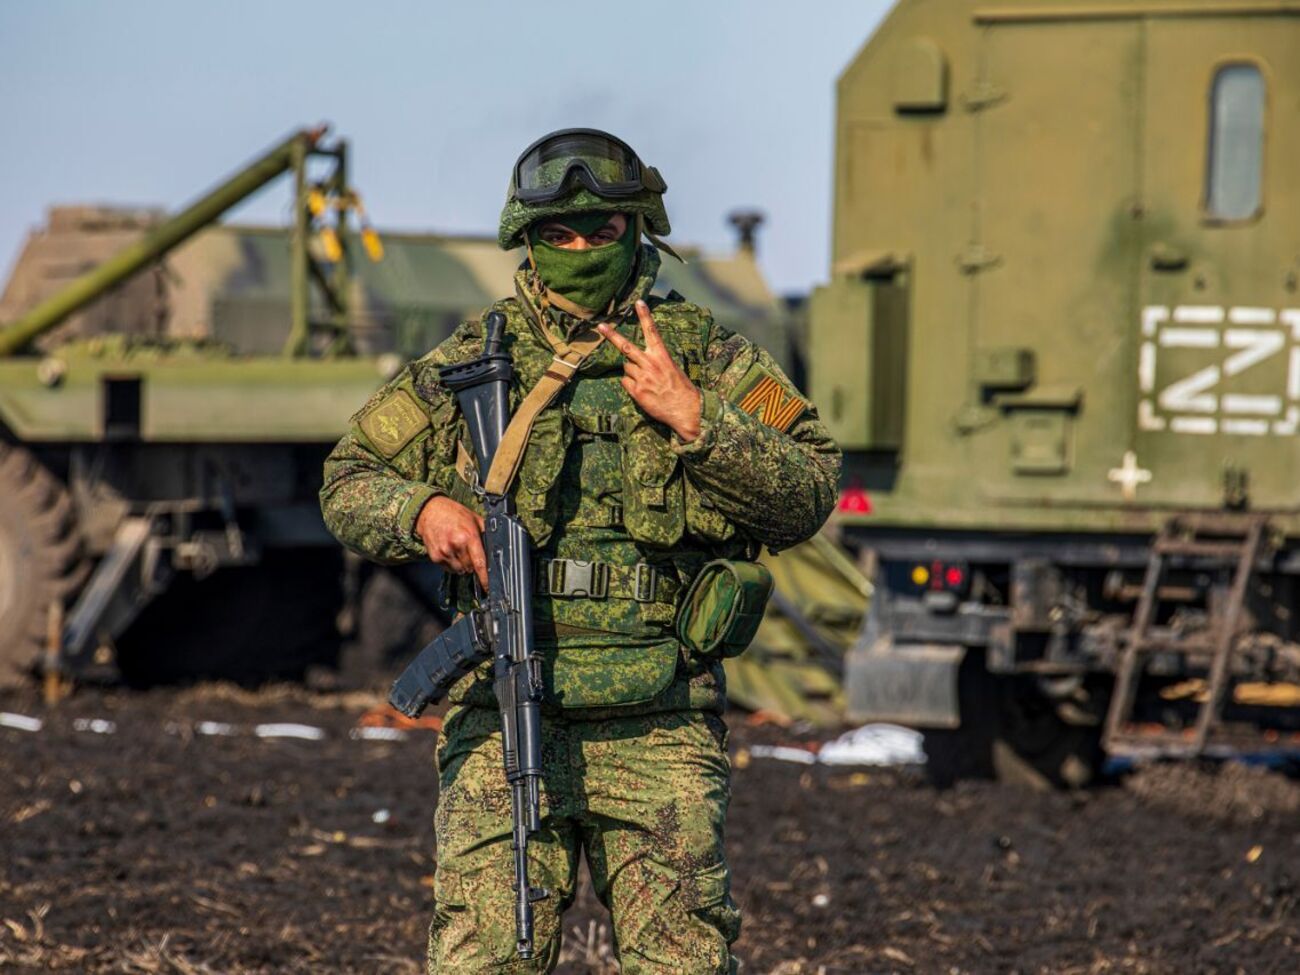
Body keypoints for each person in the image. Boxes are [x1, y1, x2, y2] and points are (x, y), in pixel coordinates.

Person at [320, 128, 841, 974]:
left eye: (599, 232)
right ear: (525, 240)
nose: (578, 250)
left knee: (683, 959)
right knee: (486, 957)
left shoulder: (704, 354)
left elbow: (812, 487)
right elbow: (347, 479)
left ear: (638, 231)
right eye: (557, 235)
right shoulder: (471, 361)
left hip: (659, 721)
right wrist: (424, 512)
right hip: (504, 714)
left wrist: (696, 420)